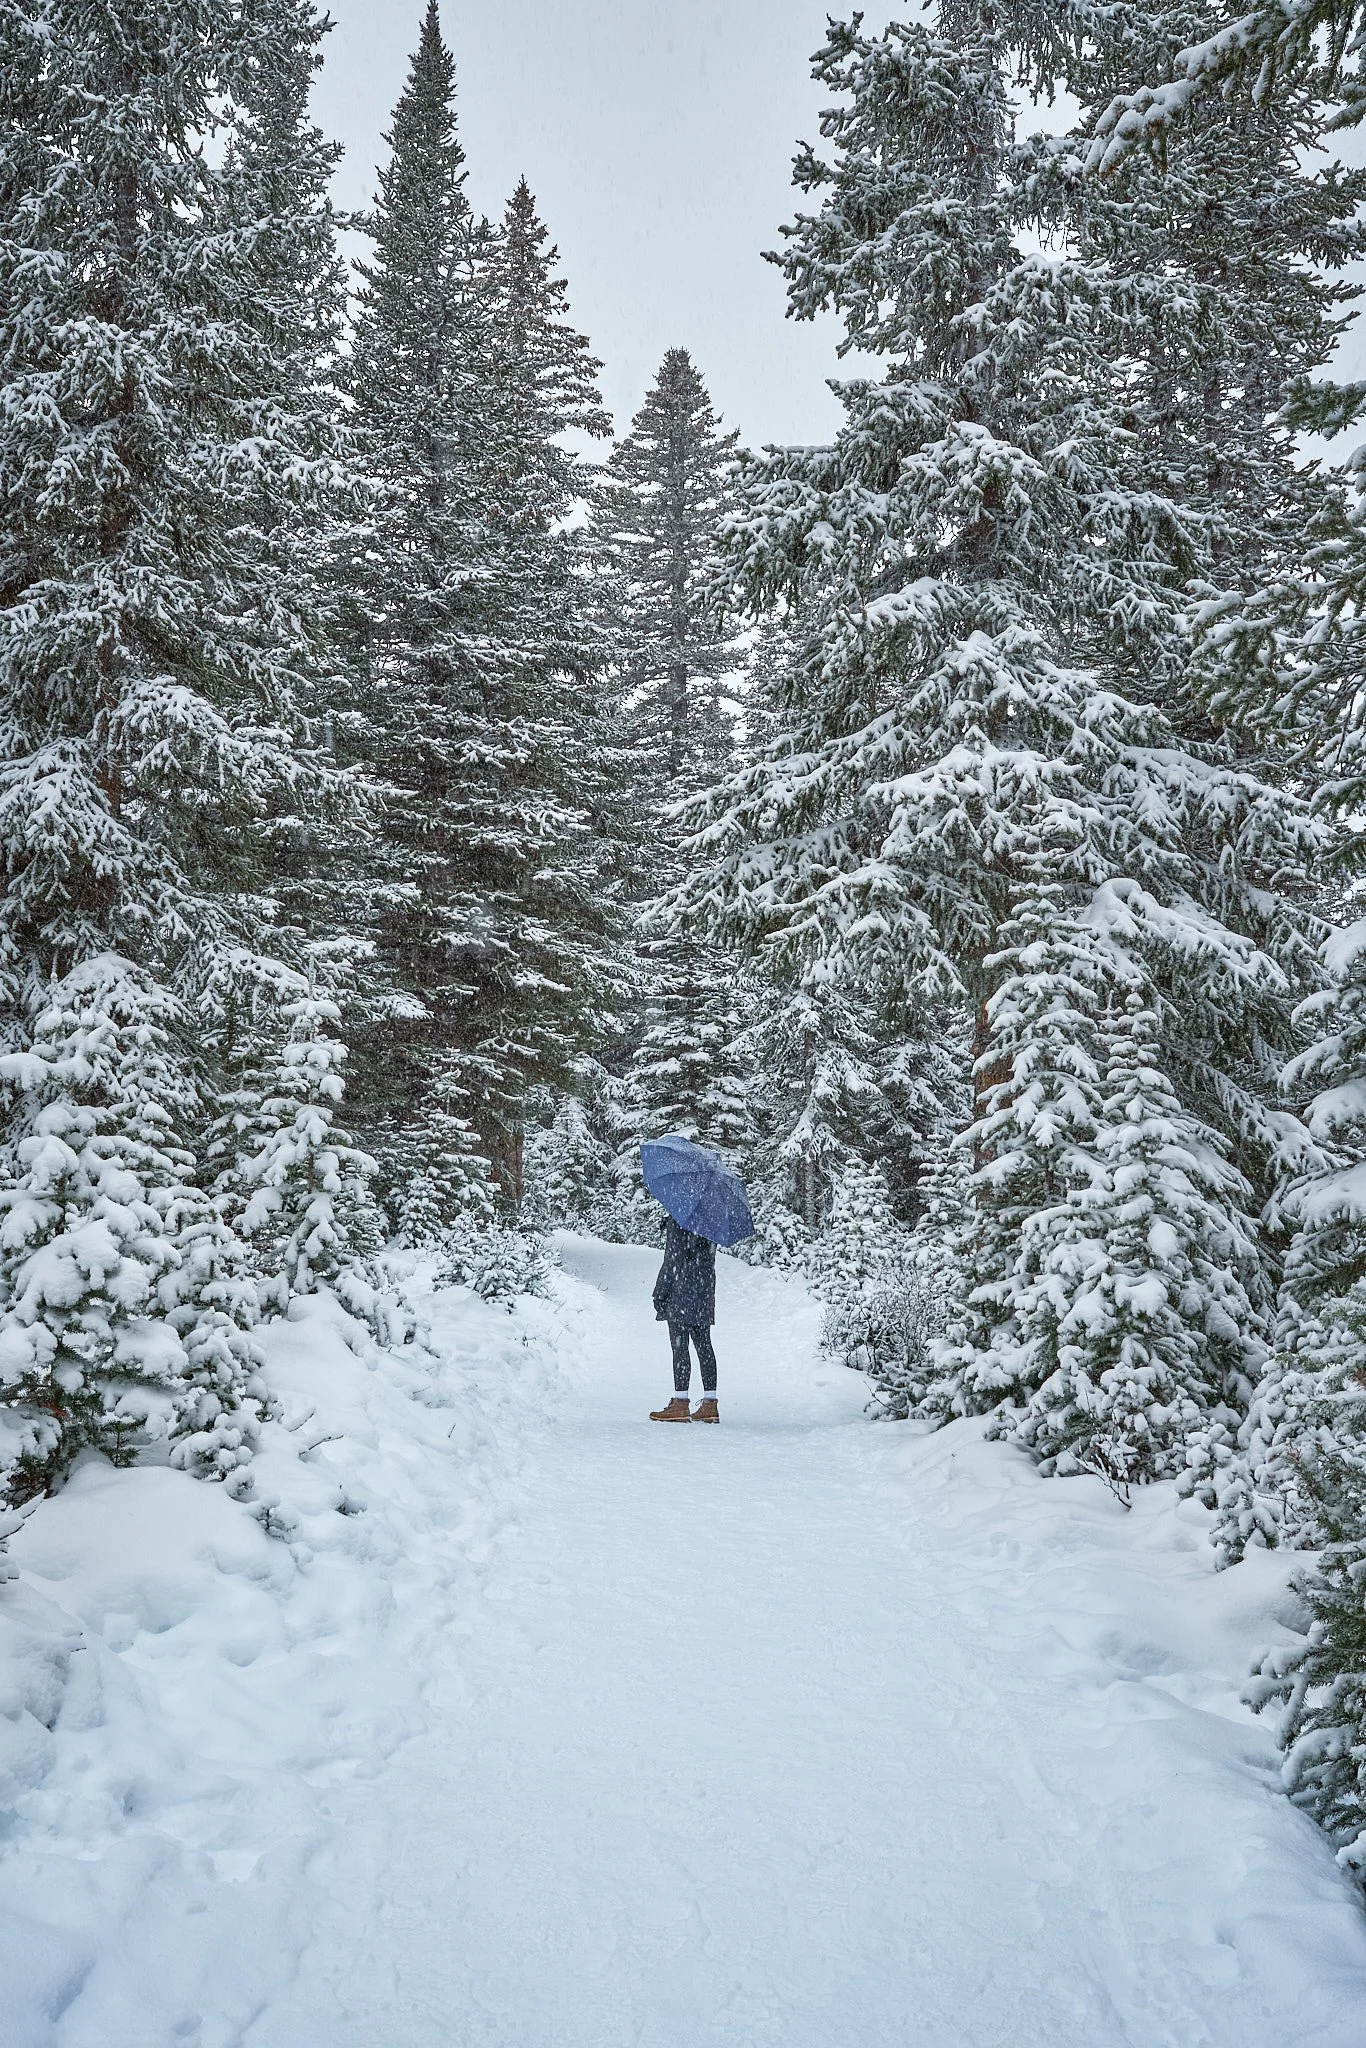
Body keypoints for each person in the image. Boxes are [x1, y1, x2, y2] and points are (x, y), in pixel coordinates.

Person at [649, 1217, 719, 1423]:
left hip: (681, 1290)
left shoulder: (681, 1219)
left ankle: (680, 1402)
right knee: (704, 1345)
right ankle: (710, 1403)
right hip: (704, 1290)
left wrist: (659, 1293)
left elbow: (673, 1259)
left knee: (680, 1347)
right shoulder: (711, 1221)